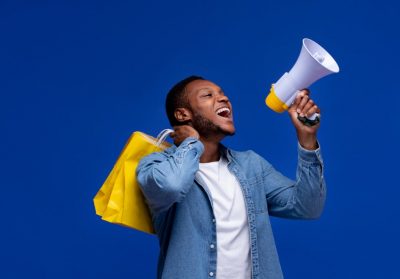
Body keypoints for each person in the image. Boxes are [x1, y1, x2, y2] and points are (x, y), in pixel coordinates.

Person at [136, 76, 326, 279]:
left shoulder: (252, 166)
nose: (224, 98)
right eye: (208, 95)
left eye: (223, 93)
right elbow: (172, 186)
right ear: (183, 114)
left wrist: (307, 139)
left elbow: (308, 207)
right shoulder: (156, 165)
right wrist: (191, 143)